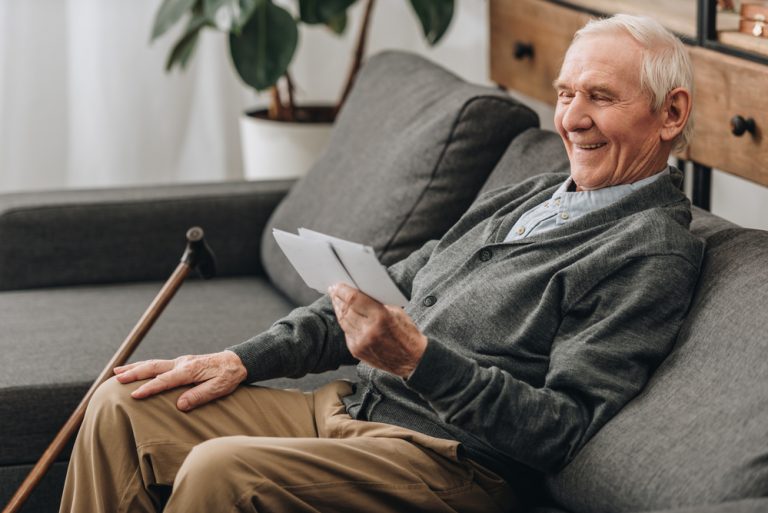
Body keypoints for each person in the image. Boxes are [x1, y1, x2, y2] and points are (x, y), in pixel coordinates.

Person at [60, 13, 704, 513]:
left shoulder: (650, 249)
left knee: (218, 471)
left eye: (599, 97)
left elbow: (561, 430)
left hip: (450, 461)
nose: (571, 118)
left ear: (670, 113)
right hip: (354, 408)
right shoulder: (536, 192)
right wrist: (242, 360)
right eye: (565, 93)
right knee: (122, 405)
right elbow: (395, 282)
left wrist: (420, 362)